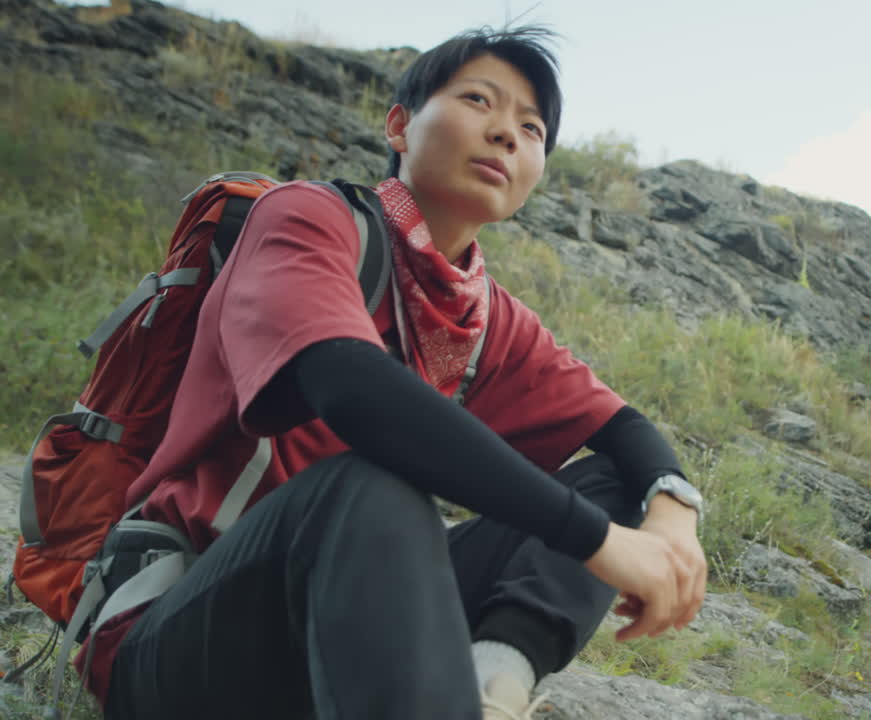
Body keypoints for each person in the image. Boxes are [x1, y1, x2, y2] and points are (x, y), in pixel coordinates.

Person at [80, 25, 707, 720]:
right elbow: (350, 389)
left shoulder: (486, 316)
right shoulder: (309, 219)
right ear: (400, 126)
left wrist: (672, 518)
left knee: (617, 481)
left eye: (531, 129)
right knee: (371, 476)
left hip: (355, 627)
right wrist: (594, 542)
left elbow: (624, 432)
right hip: (184, 637)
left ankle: (490, 689)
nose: (506, 134)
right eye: (478, 100)